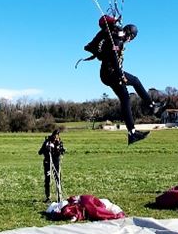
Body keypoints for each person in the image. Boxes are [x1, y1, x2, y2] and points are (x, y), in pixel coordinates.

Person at [83, 15, 162, 145]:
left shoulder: (114, 34)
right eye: (132, 38)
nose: (130, 41)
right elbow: (114, 60)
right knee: (135, 81)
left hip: (107, 74)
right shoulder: (118, 41)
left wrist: (114, 19)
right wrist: (121, 76)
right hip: (111, 74)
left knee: (125, 98)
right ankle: (151, 106)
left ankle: (132, 133)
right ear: (130, 35)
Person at [38, 130, 66, 202]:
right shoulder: (47, 142)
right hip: (48, 162)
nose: (56, 138)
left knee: (58, 179)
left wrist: (60, 150)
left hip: (56, 163)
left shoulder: (59, 142)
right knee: (48, 180)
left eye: (57, 136)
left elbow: (62, 152)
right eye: (55, 136)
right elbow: (40, 152)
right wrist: (46, 148)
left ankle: (59, 197)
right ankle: (48, 197)